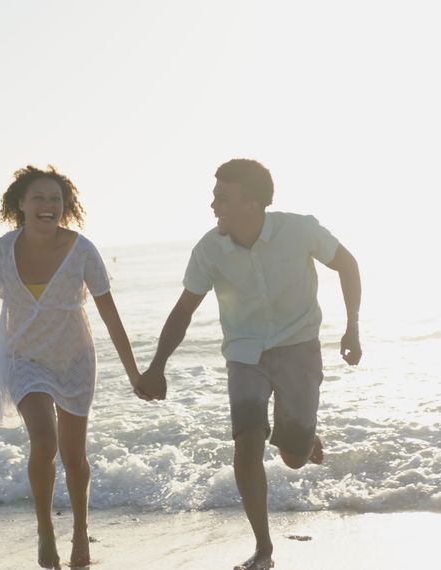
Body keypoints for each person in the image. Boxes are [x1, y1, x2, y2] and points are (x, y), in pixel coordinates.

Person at [136, 159, 362, 570]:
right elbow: (184, 309)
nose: (212, 204)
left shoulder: (300, 230)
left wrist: (352, 329)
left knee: (293, 457)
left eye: (222, 197)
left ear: (252, 204)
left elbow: (348, 264)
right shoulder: (209, 249)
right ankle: (263, 548)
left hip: (298, 347)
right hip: (244, 356)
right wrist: (157, 366)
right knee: (247, 443)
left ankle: (304, 439)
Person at [0, 165, 145, 569]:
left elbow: (109, 314)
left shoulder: (82, 250)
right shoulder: (0, 252)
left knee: (74, 456)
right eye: (39, 198)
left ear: (65, 207)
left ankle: (81, 531)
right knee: (44, 442)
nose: (48, 206)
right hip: (24, 359)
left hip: (74, 359)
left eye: (55, 199)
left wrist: (134, 373)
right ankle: (45, 529)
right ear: (21, 204)